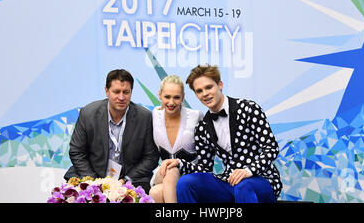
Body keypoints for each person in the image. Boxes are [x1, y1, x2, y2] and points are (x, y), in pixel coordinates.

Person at [164, 64, 282, 203]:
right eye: (199, 91)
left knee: (243, 186)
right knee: (186, 182)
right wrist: (180, 163)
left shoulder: (248, 108)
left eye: (209, 87)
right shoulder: (202, 127)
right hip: (229, 182)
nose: (205, 94)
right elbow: (204, 168)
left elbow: (271, 148)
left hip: (261, 179)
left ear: (220, 85)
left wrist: (248, 171)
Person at [64, 69, 159, 193]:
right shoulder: (88, 114)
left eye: (126, 92)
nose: (121, 97)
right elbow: (77, 151)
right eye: (116, 92)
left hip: (129, 179)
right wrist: (94, 181)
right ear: (106, 91)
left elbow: (151, 157)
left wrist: (126, 180)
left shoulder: (144, 117)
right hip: (93, 174)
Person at [149, 75, 204, 203]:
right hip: (163, 172)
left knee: (155, 193)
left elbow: (206, 152)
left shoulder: (196, 116)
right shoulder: (154, 115)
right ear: (160, 95)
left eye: (176, 97)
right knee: (170, 171)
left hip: (190, 173)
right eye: (167, 97)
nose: (171, 102)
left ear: (183, 97)